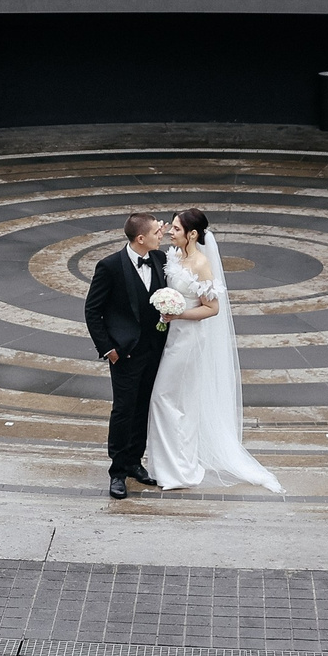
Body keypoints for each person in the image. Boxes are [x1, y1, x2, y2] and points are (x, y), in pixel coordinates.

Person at [144, 207, 283, 493]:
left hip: (188, 339)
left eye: (176, 229)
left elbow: (212, 308)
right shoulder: (175, 256)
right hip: (172, 337)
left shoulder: (201, 264)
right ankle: (171, 466)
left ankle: (178, 469)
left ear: (193, 234)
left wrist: (178, 314)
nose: (171, 232)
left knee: (163, 398)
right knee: (177, 402)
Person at [82, 212, 169, 499]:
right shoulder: (109, 266)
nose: (161, 235)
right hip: (125, 353)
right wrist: (109, 349)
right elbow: (92, 310)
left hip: (154, 350)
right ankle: (117, 471)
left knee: (143, 407)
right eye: (156, 232)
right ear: (140, 238)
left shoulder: (160, 259)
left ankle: (134, 462)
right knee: (123, 410)